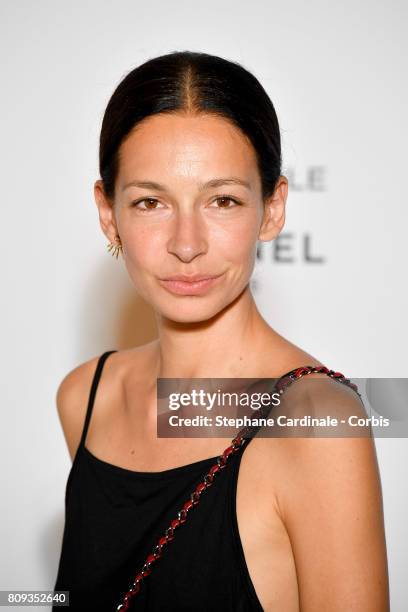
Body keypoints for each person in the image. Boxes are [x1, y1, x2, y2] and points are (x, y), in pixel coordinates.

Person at [53, 51, 389, 611]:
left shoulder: (317, 426)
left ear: (273, 208)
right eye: (151, 202)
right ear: (109, 214)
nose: (188, 244)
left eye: (223, 200)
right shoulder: (86, 396)